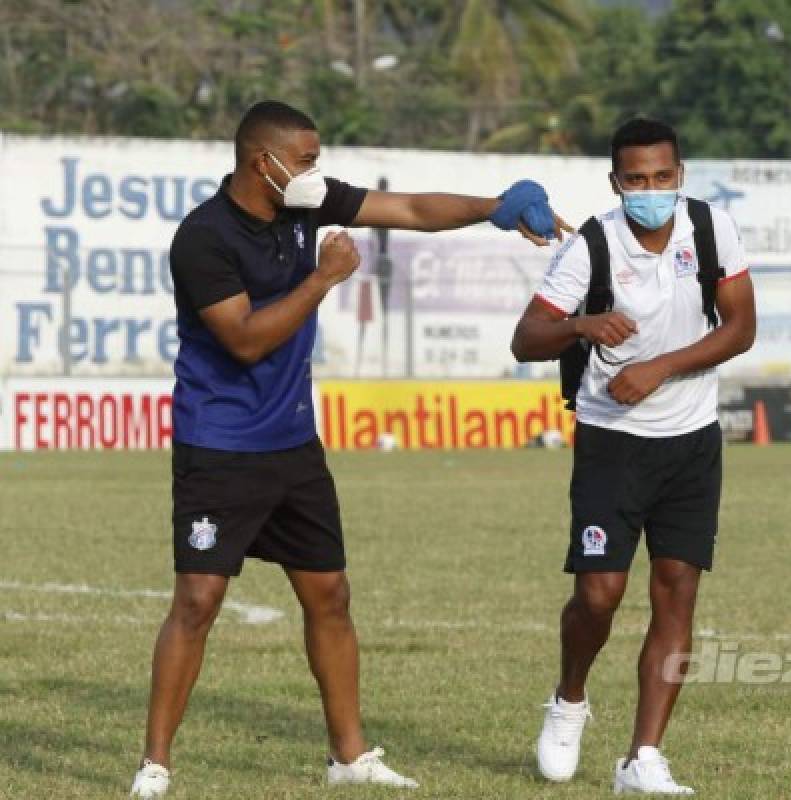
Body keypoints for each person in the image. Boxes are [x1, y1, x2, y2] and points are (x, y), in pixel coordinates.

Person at [130, 100, 569, 798]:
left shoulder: (306, 203)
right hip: (219, 443)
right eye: (305, 159)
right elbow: (244, 340)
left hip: (294, 444)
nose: (316, 170)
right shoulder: (203, 238)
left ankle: (349, 758)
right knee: (198, 600)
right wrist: (322, 278)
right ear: (262, 163)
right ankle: (155, 765)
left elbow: (411, 210)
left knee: (330, 594)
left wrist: (495, 207)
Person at [510, 118, 756, 795]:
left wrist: (660, 367)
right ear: (617, 182)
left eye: (663, 177)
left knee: (676, 595)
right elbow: (526, 339)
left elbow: (741, 327)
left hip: (692, 440)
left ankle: (642, 757)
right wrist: (581, 325)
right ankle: (569, 699)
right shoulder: (591, 244)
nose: (652, 190)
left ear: (680, 175)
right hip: (612, 442)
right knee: (600, 595)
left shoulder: (711, 228)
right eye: (638, 179)